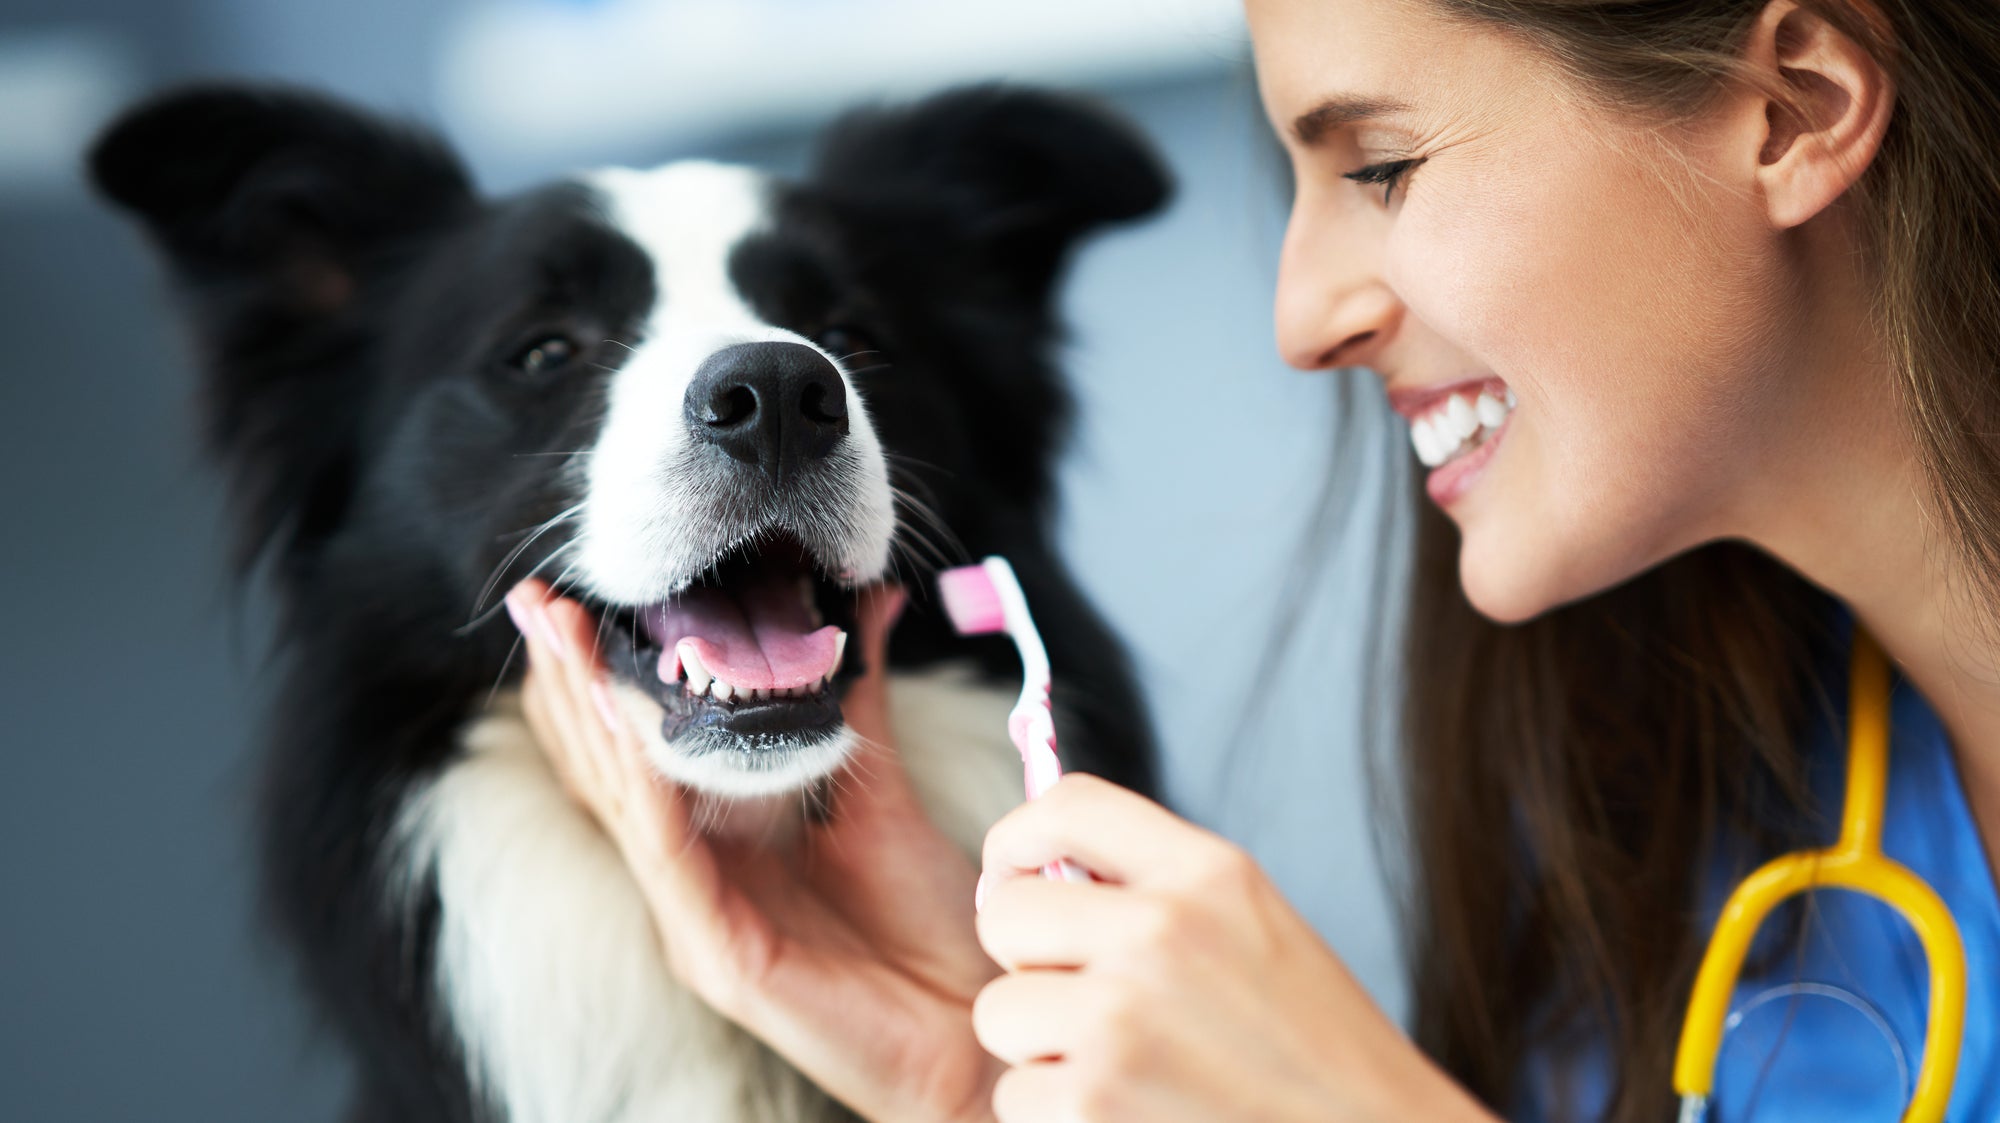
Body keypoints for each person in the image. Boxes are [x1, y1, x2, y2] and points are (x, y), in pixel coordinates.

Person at [501, 0, 2000, 1119]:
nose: (1301, 320)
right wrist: (974, 1082)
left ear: (1795, 107)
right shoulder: (1680, 818)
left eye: (1386, 166)